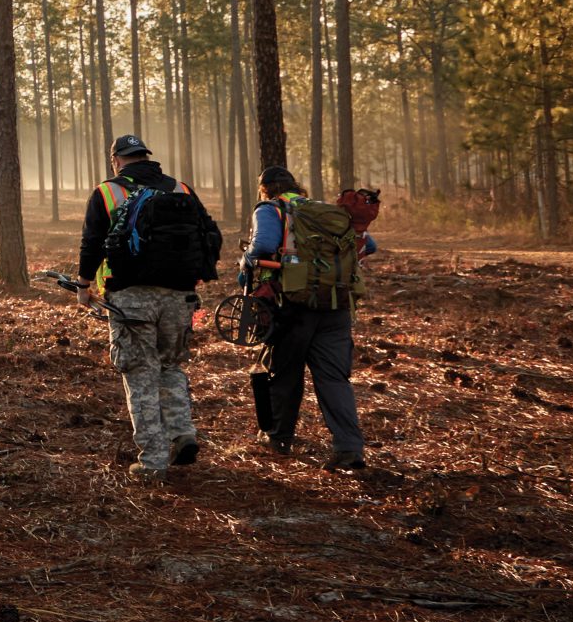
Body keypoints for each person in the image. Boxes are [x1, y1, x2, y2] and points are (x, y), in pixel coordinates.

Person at [77, 133, 220, 481]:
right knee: (171, 366)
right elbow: (211, 236)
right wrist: (194, 276)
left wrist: (83, 286)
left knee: (140, 374)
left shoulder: (108, 192)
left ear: (116, 160)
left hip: (131, 298)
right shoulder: (181, 189)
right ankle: (182, 433)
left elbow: (92, 242)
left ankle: (153, 460)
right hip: (180, 296)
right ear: (145, 157)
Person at [247, 166, 374, 470]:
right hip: (335, 304)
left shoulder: (271, 209)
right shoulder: (323, 211)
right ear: (296, 186)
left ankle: (279, 437)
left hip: (292, 306)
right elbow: (369, 245)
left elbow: (263, 245)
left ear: (265, 188)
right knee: (334, 378)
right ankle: (349, 448)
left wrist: (247, 258)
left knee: (286, 374)